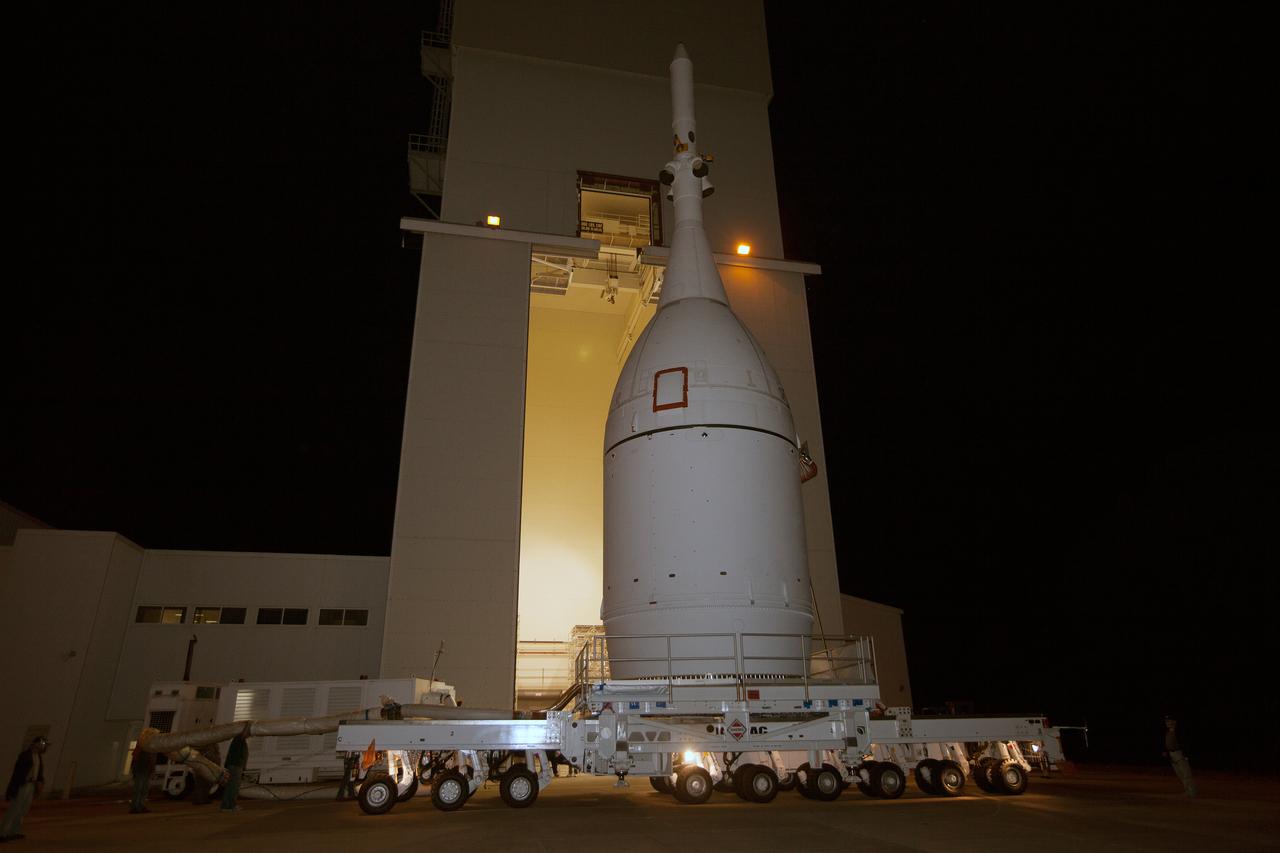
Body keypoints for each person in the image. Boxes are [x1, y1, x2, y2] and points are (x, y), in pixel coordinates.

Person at [2, 735, 48, 842]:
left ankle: (14, 831)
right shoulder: (25, 755)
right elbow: (17, 773)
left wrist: (39, 782)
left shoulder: (38, 757)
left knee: (23, 809)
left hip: (31, 785)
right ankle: (3, 833)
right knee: (14, 809)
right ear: (35, 744)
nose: (43, 746)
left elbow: (38, 772)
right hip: (23, 785)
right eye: (42, 744)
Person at [1163, 716, 1198, 797]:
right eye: (1166, 722)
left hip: (1179, 753)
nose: (1168, 723)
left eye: (1170, 721)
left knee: (1186, 774)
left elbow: (1185, 743)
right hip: (1172, 754)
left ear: (1175, 722)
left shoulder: (1179, 731)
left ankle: (1192, 791)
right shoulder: (1168, 732)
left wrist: (1185, 755)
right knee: (1180, 774)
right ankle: (1188, 790)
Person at [220, 729, 249, 811]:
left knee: (230, 786)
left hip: (233, 766)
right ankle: (231, 805)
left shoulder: (237, 740)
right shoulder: (239, 739)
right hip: (236, 766)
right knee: (234, 786)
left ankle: (225, 805)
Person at [129, 731, 158, 814]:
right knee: (140, 789)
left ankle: (139, 806)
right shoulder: (146, 746)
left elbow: (134, 757)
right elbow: (136, 758)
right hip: (141, 770)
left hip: (143, 770)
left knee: (143, 789)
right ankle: (136, 806)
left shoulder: (147, 747)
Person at [190, 741, 222, 806]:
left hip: (206, 765)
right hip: (204, 766)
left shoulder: (209, 745)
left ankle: (202, 798)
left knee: (205, 783)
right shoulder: (205, 745)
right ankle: (200, 799)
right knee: (202, 782)